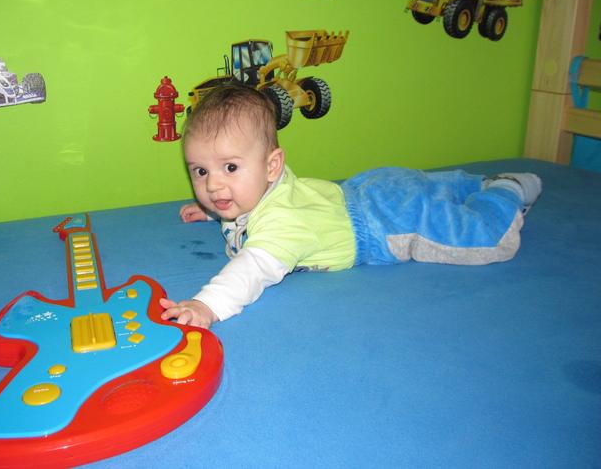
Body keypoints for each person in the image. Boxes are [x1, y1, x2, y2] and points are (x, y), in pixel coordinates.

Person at [159, 84, 542, 328]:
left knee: (482, 237)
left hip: (382, 224)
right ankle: (472, 182)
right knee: (425, 186)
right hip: (363, 187)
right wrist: (215, 209)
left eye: (229, 168)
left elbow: (253, 268)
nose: (213, 185)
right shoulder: (261, 187)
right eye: (200, 171)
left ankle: (505, 190)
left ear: (272, 166)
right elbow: (241, 195)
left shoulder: (282, 224)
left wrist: (206, 305)